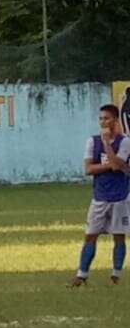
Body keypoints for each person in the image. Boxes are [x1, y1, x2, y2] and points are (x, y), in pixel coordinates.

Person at [69, 104, 130, 287]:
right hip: (100, 196)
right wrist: (113, 166)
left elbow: (118, 163)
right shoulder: (91, 141)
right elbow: (89, 169)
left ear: (115, 121)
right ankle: (82, 275)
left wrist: (107, 146)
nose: (103, 122)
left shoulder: (124, 141)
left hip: (120, 196)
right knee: (90, 235)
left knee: (119, 236)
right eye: (101, 118)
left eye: (107, 118)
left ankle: (115, 275)